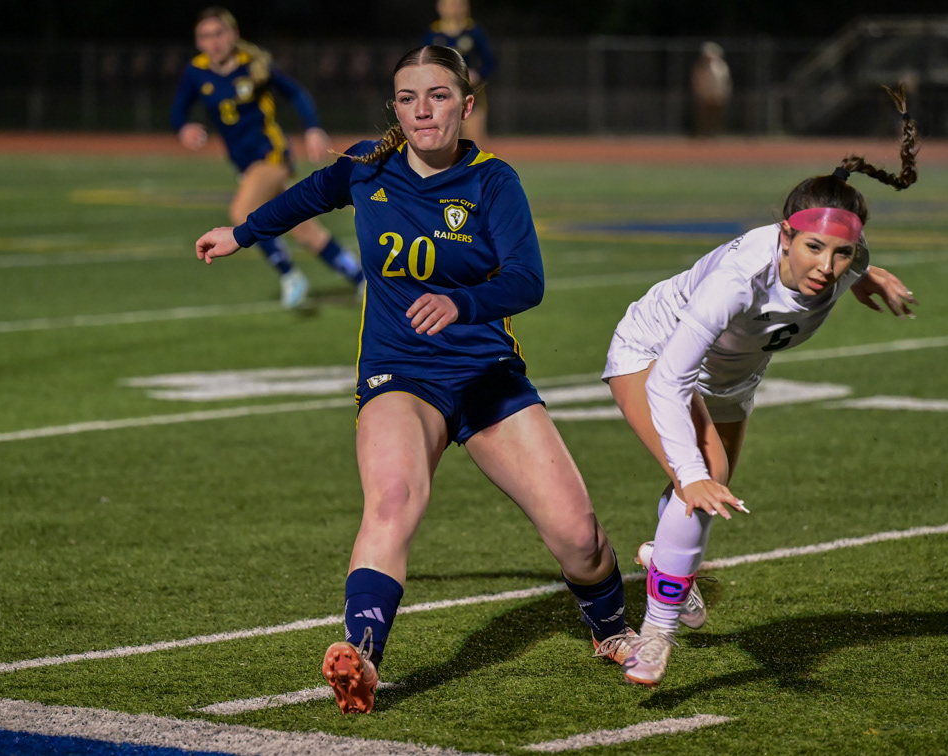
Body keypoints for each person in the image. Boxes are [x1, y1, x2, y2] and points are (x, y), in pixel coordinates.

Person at [194, 45, 634, 714]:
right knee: (393, 499)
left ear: (465, 105)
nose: (423, 109)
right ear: (395, 108)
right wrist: (243, 231)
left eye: (437, 95)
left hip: (486, 375)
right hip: (400, 375)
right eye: (408, 97)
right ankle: (362, 654)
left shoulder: (493, 182)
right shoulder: (368, 166)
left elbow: (526, 281)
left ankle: (608, 626)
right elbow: (310, 193)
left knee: (580, 538)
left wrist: (464, 302)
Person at [602, 84, 920, 687]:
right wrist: (692, 473)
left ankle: (665, 562)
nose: (825, 266)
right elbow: (669, 379)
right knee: (704, 478)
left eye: (842, 253)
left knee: (705, 492)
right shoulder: (737, 281)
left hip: (734, 376)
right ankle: (656, 633)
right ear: (784, 235)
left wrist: (866, 276)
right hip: (654, 352)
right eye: (812, 248)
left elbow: (850, 259)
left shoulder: (843, 258)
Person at [171, 6, 363, 309]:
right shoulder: (196, 71)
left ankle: (289, 275)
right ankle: (361, 278)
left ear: (233, 34)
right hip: (244, 164)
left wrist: (312, 128)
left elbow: (296, 93)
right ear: (198, 42)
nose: (213, 41)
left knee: (241, 212)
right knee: (302, 226)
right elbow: (178, 110)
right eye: (205, 36)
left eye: (219, 33)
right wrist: (184, 128)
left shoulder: (254, 65)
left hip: (272, 155)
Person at [422, 0, 496, 143]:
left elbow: (490, 62)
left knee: (474, 145)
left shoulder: (474, 32)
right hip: (441, 98)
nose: (453, 8)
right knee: (441, 145)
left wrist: (477, 74)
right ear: (439, 7)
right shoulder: (432, 34)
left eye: (458, 4)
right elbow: (423, 64)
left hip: (470, 94)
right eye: (449, 4)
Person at [690, 41, 732, 138]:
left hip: (718, 96)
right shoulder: (700, 67)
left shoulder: (721, 67)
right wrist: (698, 93)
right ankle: (703, 134)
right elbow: (696, 81)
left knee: (716, 117)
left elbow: (726, 82)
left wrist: (725, 93)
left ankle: (714, 134)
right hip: (704, 96)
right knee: (703, 117)